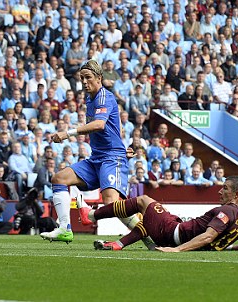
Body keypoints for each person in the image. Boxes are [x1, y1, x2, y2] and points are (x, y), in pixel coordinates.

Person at [40, 60, 153, 249]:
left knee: (112, 204)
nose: (84, 82)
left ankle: (149, 238)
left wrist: (67, 133)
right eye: (81, 78)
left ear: (99, 78)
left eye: (88, 78)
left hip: (112, 158)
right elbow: (110, 128)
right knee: (59, 178)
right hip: (97, 158)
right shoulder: (90, 99)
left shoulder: (104, 97)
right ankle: (64, 228)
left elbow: (100, 125)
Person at [78, 176, 238, 252]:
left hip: (173, 234)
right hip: (175, 231)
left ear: (236, 195)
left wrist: (177, 249)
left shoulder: (227, 210)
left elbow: (208, 237)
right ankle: (118, 244)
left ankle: (92, 215)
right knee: (151, 218)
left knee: (144, 201)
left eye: (225, 189)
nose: (220, 192)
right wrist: (227, 248)